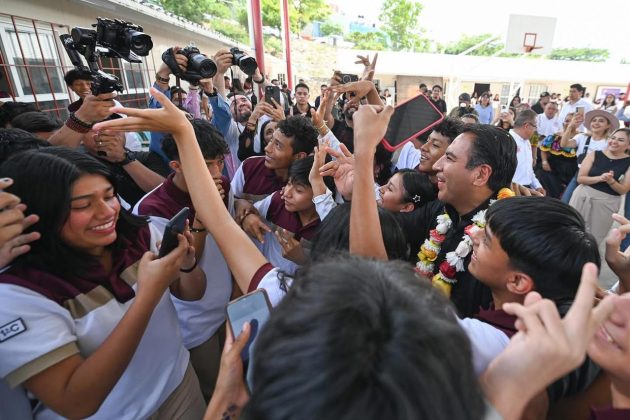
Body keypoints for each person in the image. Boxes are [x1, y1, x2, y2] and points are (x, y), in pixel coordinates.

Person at [0, 147, 206, 419]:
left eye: (109, 196)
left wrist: (187, 263)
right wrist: (147, 296)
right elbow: (75, 402)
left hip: (178, 387)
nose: (106, 211)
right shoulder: (18, 294)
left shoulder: (143, 234)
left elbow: (192, 293)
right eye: (82, 205)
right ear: (40, 212)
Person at [133, 119, 233, 401]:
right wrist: (202, 213)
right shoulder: (152, 209)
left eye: (220, 162)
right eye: (207, 164)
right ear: (176, 165)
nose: (217, 172)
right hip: (194, 322)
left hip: (229, 307)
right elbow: (182, 269)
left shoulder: (223, 185)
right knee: (216, 393)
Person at [570, 128, 630, 245]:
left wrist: (611, 181)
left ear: (628, 146)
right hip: (582, 196)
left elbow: (623, 190)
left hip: (607, 203)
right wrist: (600, 178)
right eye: (613, 138)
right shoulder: (594, 154)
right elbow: (581, 178)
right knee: (569, 230)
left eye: (621, 140)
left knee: (593, 239)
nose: (614, 141)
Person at [64, 68, 143, 153]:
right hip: (96, 151)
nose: (85, 87)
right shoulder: (74, 108)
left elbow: (123, 130)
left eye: (89, 83)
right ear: (71, 87)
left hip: (124, 148)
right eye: (78, 84)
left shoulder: (110, 104)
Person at [561, 109, 618, 203]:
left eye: (601, 121)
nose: (596, 123)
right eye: (594, 120)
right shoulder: (582, 137)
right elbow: (564, 144)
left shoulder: (609, 142)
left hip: (598, 178)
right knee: (565, 201)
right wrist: (570, 127)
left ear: (608, 125)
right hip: (579, 175)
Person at [537, 112, 578, 198]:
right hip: (552, 168)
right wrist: (544, 161)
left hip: (570, 170)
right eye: (567, 121)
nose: (568, 123)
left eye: (571, 121)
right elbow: (544, 150)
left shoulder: (580, 137)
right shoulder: (555, 136)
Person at [510, 109, 545, 194]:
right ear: (526, 126)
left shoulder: (527, 142)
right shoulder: (508, 141)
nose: (536, 130)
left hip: (526, 189)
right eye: (535, 126)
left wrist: (537, 186)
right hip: (512, 190)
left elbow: (528, 169)